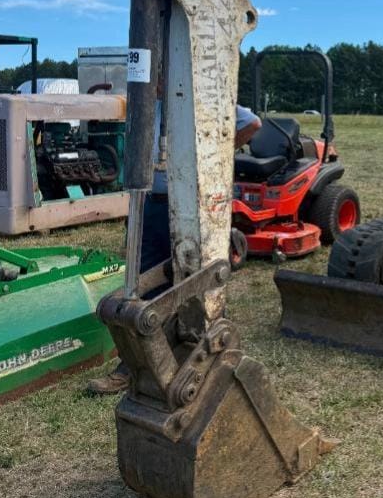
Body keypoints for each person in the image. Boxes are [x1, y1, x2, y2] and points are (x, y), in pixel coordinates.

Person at [86, 104, 261, 395]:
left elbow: (251, 123)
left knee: (197, 281)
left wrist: (212, 155)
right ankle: (132, 367)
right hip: (150, 203)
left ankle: (211, 357)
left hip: (188, 205)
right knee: (143, 282)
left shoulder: (198, 97)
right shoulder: (147, 106)